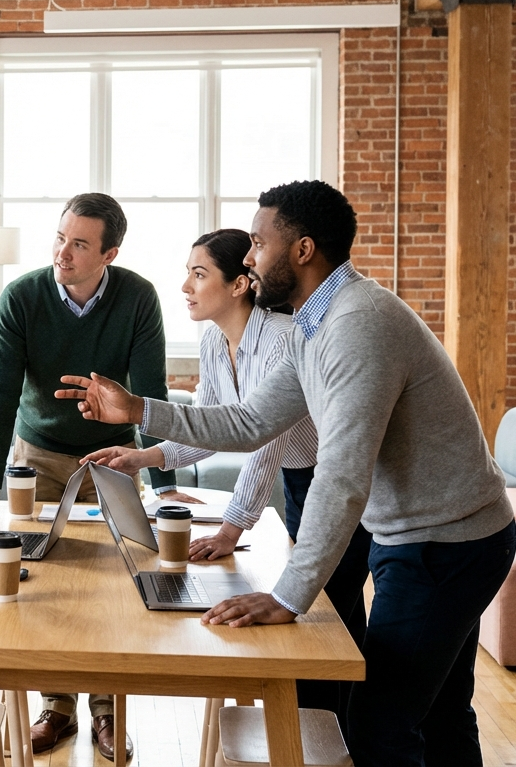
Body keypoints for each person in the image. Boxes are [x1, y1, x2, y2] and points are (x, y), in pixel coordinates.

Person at [58, 180, 516, 767]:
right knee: (439, 713)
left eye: (258, 242)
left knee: (380, 724)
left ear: (302, 250)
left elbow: (341, 474)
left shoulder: (358, 325)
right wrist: (139, 410)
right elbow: (250, 421)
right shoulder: (312, 326)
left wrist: (288, 596)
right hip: (422, 536)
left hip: (446, 544)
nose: (249, 258)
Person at [79, 228, 371, 721]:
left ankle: (332, 732)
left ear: (239, 284)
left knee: (331, 614)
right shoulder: (216, 341)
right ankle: (320, 728)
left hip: (337, 483)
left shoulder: (282, 339)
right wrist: (142, 458)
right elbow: (213, 428)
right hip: (301, 481)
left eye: (199, 274)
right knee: (321, 611)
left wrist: (231, 530)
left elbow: (265, 442)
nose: (186, 287)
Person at [0, 192, 178, 762]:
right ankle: (56, 706)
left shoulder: (138, 298)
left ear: (109, 254)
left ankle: (108, 710)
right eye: (60, 238)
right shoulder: (22, 297)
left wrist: (162, 484)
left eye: (79, 244)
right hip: (37, 455)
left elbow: (149, 392)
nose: (63, 252)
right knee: (46, 581)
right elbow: (0, 394)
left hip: (111, 456)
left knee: (111, 582)